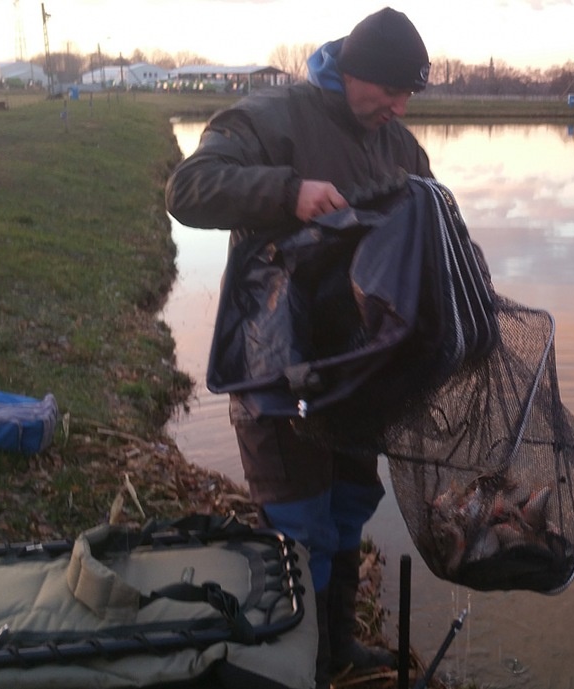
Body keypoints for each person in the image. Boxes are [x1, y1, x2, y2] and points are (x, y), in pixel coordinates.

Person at [164, 7, 432, 686]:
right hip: (273, 364)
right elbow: (188, 190)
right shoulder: (271, 115)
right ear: (351, 72)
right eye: (391, 91)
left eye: (408, 96)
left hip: (356, 369)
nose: (399, 107)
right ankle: (295, 669)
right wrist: (289, 191)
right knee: (297, 528)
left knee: (346, 512)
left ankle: (337, 649)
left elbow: (430, 225)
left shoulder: (395, 141)